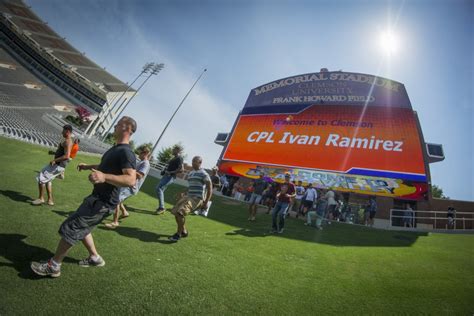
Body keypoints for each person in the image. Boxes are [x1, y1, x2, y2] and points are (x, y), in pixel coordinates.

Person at [30, 116, 137, 278]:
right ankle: (95, 258)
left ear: (127, 128)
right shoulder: (115, 149)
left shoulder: (126, 152)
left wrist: (104, 177)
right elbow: (103, 167)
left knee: (72, 227)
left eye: (118, 123)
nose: (114, 125)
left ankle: (54, 266)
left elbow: (130, 179)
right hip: (97, 197)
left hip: (103, 202)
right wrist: (88, 167)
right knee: (83, 227)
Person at [105, 145, 151, 229]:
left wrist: (129, 169)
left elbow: (140, 175)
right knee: (119, 199)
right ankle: (124, 212)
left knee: (116, 200)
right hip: (129, 185)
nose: (139, 154)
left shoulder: (145, 163)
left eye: (140, 153)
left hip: (131, 186)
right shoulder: (141, 162)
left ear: (145, 153)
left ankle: (115, 222)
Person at [168, 156, 212, 242]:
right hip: (188, 196)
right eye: (192, 161)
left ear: (200, 163)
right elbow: (191, 186)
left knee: (180, 213)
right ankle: (184, 231)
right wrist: (183, 192)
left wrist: (206, 202)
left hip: (197, 199)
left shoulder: (204, 173)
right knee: (176, 212)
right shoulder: (191, 173)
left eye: (195, 161)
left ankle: (178, 234)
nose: (193, 163)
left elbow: (209, 188)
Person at [31, 124, 73, 206]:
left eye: (63, 130)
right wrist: (54, 153)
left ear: (67, 131)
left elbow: (67, 156)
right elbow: (62, 153)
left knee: (41, 176)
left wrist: (55, 160)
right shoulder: (67, 140)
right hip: (59, 165)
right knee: (48, 180)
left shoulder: (68, 141)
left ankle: (41, 198)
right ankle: (50, 200)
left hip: (58, 165)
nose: (62, 132)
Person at [155, 145, 184, 214]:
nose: (172, 150)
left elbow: (181, 169)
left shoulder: (179, 158)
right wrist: (165, 171)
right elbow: (170, 167)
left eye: (174, 149)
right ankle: (161, 207)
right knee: (160, 189)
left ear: (178, 150)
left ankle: (161, 207)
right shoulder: (174, 158)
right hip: (166, 176)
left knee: (158, 188)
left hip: (170, 176)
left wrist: (170, 172)